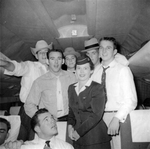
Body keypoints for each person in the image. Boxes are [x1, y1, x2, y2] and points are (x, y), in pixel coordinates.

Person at [98, 37, 137, 149]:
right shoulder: (96, 71)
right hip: (100, 119)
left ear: (115, 52)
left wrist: (116, 118)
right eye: (101, 48)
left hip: (118, 117)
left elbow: (131, 100)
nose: (104, 51)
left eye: (108, 48)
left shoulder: (123, 70)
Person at [67, 56, 111, 149]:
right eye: (79, 68)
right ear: (75, 70)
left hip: (95, 138)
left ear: (91, 71)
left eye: (85, 68)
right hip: (77, 138)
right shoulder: (71, 88)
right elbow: (71, 111)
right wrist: (70, 126)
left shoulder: (97, 88)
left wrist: (78, 132)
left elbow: (96, 115)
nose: (81, 71)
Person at [24, 49, 76, 119]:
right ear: (47, 61)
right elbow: (29, 105)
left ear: (63, 61)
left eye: (59, 58)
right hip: (50, 121)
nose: (56, 62)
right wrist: (43, 119)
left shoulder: (72, 77)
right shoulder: (39, 82)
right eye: (52, 59)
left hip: (70, 119)